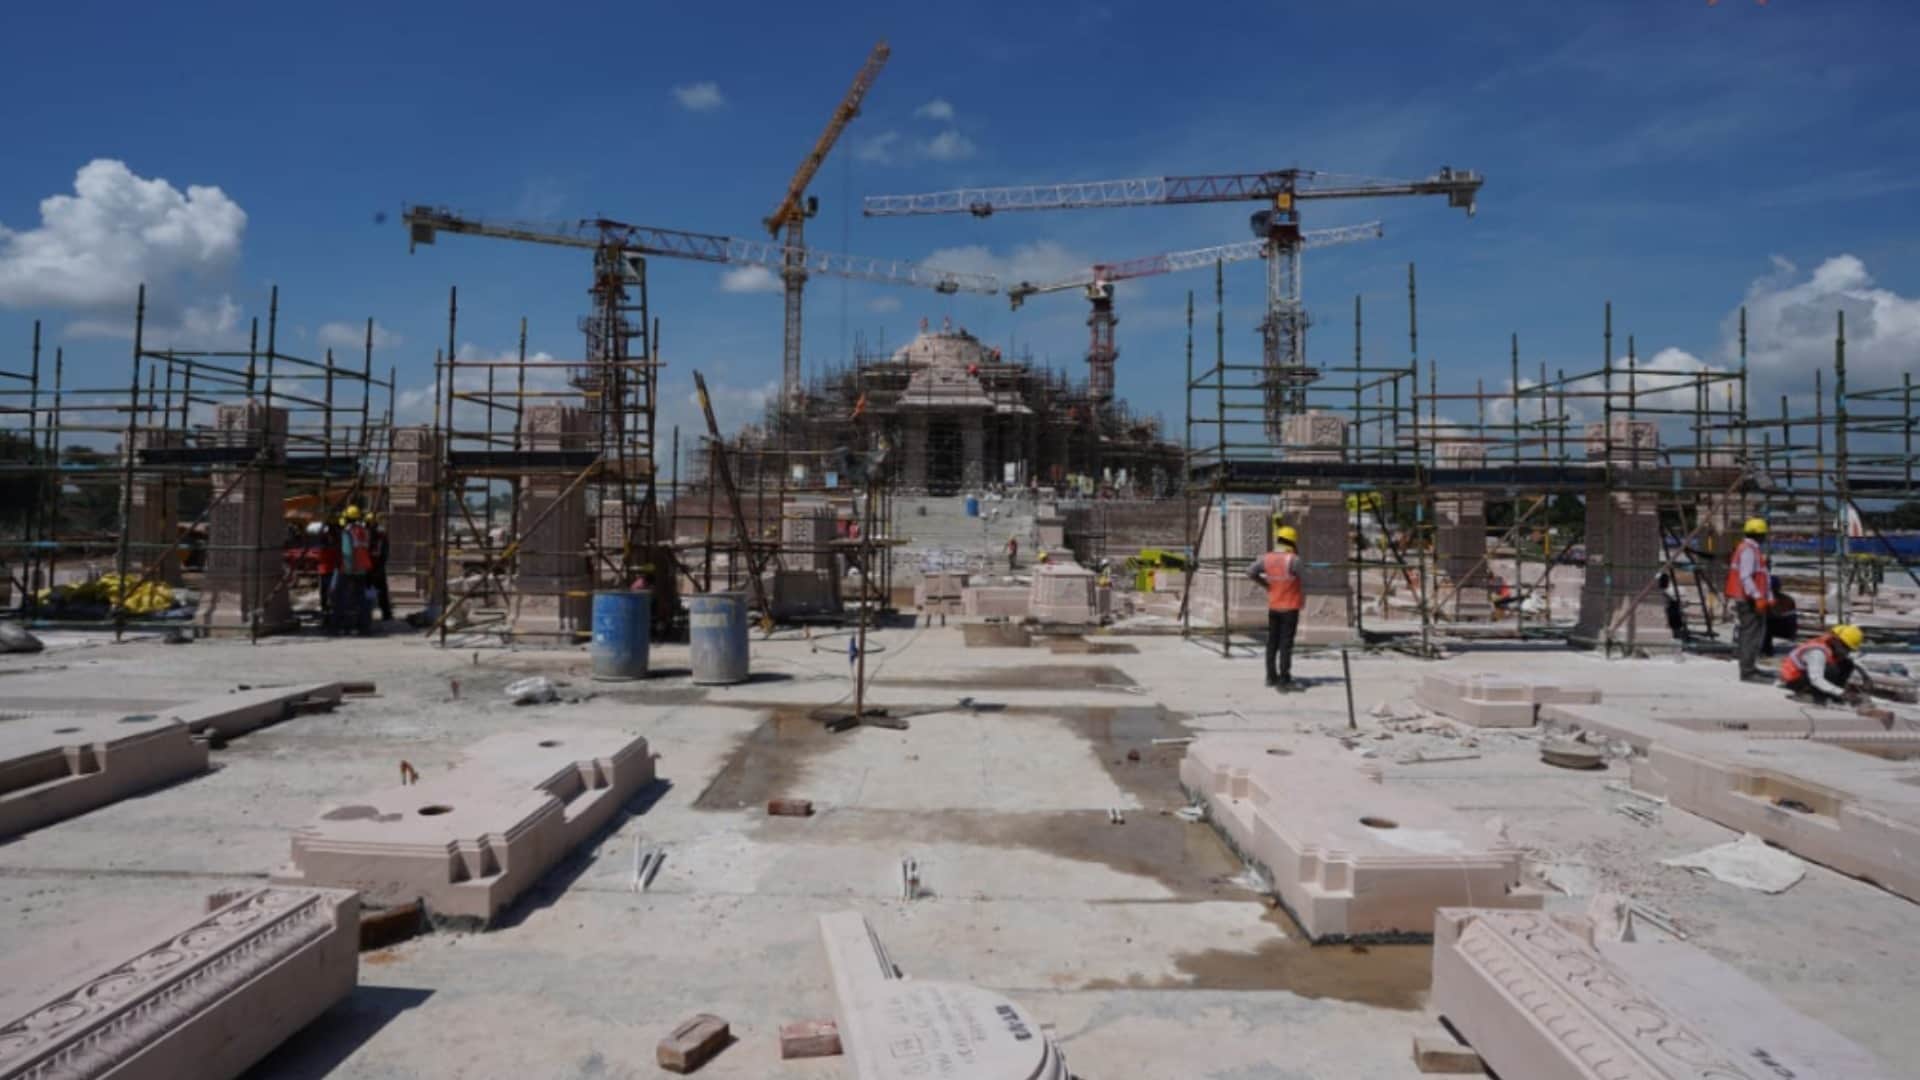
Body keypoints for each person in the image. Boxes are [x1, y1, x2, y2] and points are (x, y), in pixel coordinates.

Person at [1248, 524, 1304, 691]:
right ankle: (1284, 678)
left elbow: (1250, 572)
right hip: (1290, 607)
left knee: (1272, 642)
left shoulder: (1267, 558)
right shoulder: (1294, 559)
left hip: (1274, 606)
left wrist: (1266, 585)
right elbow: (1305, 578)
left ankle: (1270, 677)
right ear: (1292, 542)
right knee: (1286, 644)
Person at [1725, 517, 1772, 682]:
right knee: (1750, 635)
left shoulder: (1751, 548)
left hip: (1750, 598)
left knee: (1754, 634)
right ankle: (1747, 672)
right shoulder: (1748, 550)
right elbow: (1746, 577)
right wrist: (1758, 597)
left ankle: (1750, 667)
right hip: (1748, 600)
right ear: (1760, 535)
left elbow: (1762, 575)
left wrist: (1768, 596)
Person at [1780, 624, 1864, 705]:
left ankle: (1833, 695)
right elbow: (1816, 679)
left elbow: (1854, 661)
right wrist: (1842, 693)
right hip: (1793, 681)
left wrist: (1865, 676)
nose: (1846, 652)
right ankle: (1813, 695)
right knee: (1831, 670)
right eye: (1845, 647)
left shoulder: (1832, 647)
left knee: (1847, 664)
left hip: (1806, 676)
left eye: (1849, 649)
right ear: (1835, 640)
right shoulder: (1817, 652)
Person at [334, 505, 374, 636]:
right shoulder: (363, 530)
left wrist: (346, 569)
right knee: (360, 599)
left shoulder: (348, 531)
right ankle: (363, 626)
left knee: (342, 597)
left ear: (347, 517)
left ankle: (344, 626)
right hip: (362, 569)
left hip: (349, 569)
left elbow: (347, 552)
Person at [367, 513, 392, 623]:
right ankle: (384, 613)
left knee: (370, 589)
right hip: (375, 565)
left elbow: (384, 550)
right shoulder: (380, 533)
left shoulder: (372, 534)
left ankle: (370, 611)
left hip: (372, 566)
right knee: (379, 590)